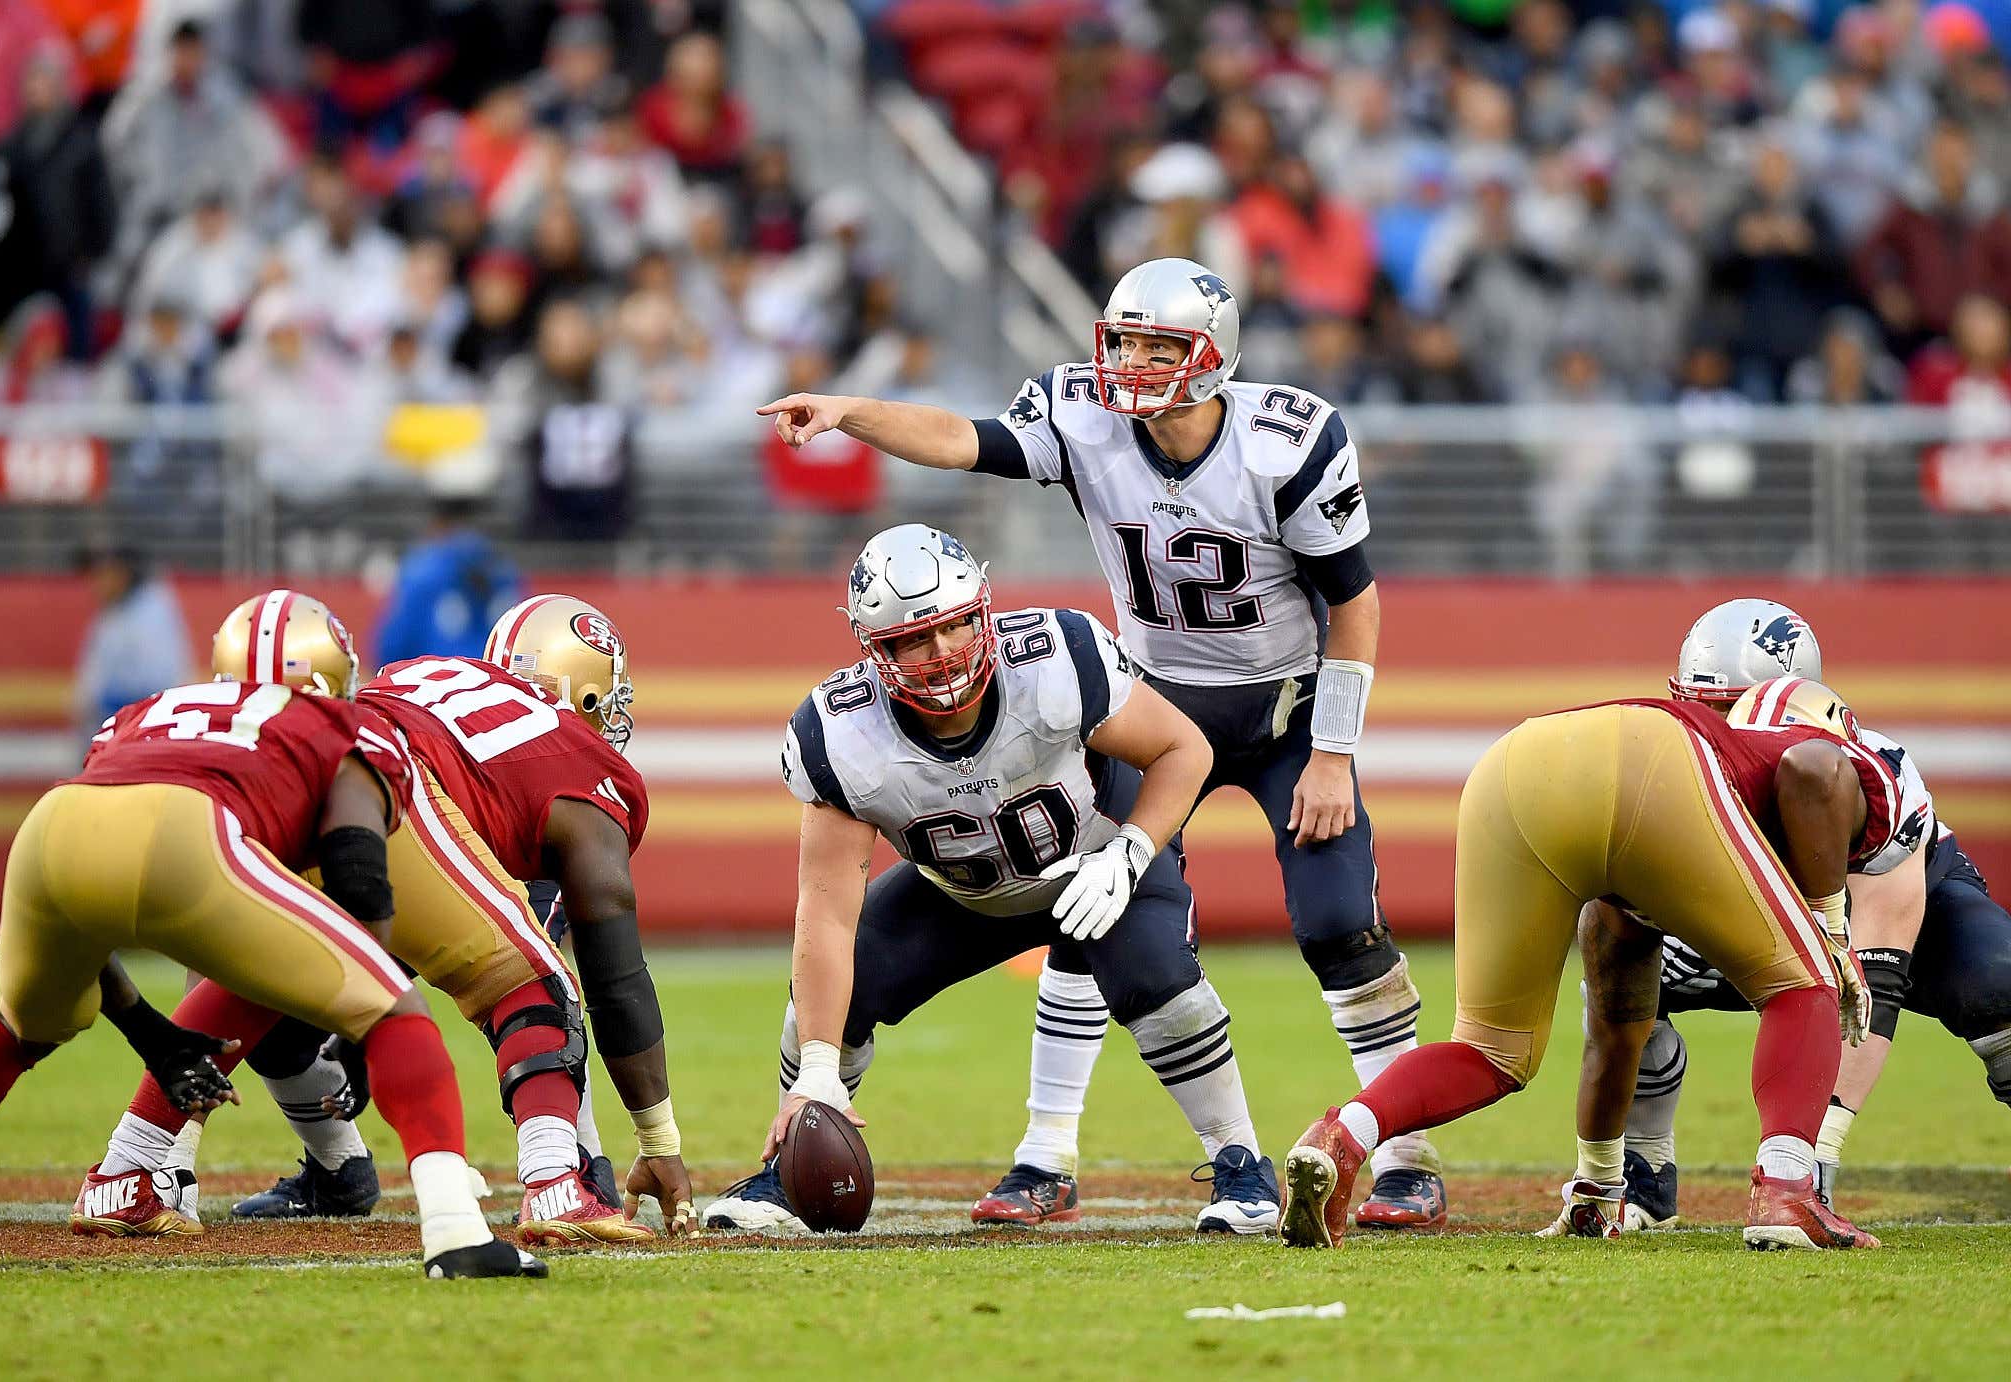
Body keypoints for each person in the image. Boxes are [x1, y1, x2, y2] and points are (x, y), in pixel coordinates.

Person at [756, 257, 1446, 1230]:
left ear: (1212, 356)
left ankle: (1405, 1152)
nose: (1129, 364)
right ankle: (1047, 1153)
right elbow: (962, 439)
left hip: (1286, 706)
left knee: (1339, 923)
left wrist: (1332, 749)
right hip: (1156, 699)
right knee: (1081, 896)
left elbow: (1354, 601)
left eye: (1156, 346)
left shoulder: (1284, 439)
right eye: (1120, 342)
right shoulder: (1085, 416)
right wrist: (849, 411)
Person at [701, 525, 1280, 1235]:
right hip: (964, 892)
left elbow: (1183, 747)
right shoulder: (840, 735)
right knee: (835, 987)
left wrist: (1130, 854)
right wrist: (817, 1069)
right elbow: (824, 916)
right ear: (872, 650)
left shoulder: (1056, 657)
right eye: (912, 640)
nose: (940, 654)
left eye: (953, 628)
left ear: (984, 612)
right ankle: (789, 1170)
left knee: (1157, 976)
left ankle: (1243, 1163)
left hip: (1094, 859)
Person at [0, 592, 542, 1278]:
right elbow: (358, 875)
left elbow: (93, 906)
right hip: (185, 832)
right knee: (396, 1010)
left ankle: (134, 1176)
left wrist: (153, 1032)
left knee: (19, 1030)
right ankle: (455, 1233)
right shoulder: (350, 728)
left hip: (50, 828)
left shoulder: (147, 712)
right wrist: (361, 1017)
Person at [86, 591, 691, 1245]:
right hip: (385, 782)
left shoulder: (418, 674)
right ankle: (552, 1185)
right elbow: (614, 972)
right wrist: (658, 1138)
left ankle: (130, 1168)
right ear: (590, 697)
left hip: (261, 776)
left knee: (259, 969)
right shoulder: (575, 759)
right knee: (530, 980)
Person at [1278, 676, 1901, 1253]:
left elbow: (1616, 1027)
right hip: (1654, 765)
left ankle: (1342, 1135)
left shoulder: (1718, 774)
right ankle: (1788, 1193)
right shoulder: (1838, 753)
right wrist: (1832, 928)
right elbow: (1817, 769)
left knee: (1491, 1051)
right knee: (1807, 980)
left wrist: (1599, 1185)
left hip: (1513, 766)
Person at [1583, 600, 2011, 1231]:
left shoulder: (1873, 779)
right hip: (1759, 914)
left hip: (1896, 919)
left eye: (1726, 710)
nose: (1710, 729)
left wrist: (1814, 1154)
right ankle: (1647, 1172)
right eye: (1697, 707)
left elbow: (1872, 981)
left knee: (1999, 987)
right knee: (1622, 966)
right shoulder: (1670, 769)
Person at [70, 544, 191, 756]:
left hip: (139, 730)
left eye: (104, 574)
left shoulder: (151, 610)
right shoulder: (113, 613)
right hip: (113, 726)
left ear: (124, 573)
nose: (96, 584)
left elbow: (156, 681)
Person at [373, 498, 522, 665]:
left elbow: (393, 646)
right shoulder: (502, 568)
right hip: (494, 682)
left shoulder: (420, 570)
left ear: (438, 522)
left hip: (433, 682)